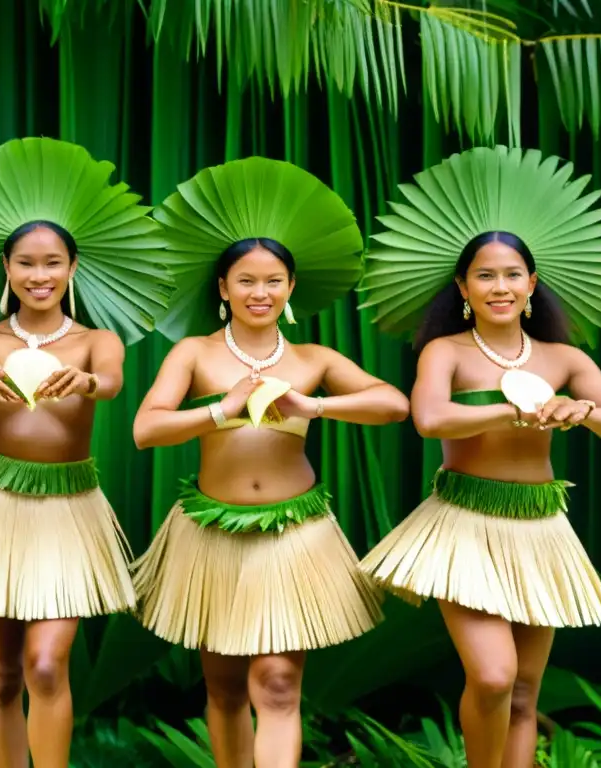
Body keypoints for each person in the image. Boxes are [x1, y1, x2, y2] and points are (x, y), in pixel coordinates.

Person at [357, 146, 601, 768]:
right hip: (464, 523)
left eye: (513, 273)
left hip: (540, 528)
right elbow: (429, 417)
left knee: (522, 690)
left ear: (532, 284)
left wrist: (585, 410)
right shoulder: (446, 352)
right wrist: (508, 411)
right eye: (485, 275)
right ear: (463, 287)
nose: (500, 286)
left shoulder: (563, 360)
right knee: (491, 676)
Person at [0, 137, 173, 768]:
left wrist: (84, 383)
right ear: (6, 267)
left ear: (73, 269)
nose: (40, 275)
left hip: (68, 504)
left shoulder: (96, 341)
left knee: (46, 664)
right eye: (26, 262)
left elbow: (109, 382)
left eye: (52, 262)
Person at [131, 157, 409, 768]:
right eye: (247, 280)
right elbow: (145, 430)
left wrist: (313, 403)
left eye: (274, 280)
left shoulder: (312, 357)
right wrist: (221, 411)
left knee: (279, 684)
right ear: (223, 287)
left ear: (290, 288)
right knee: (226, 689)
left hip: (294, 533)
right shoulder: (194, 354)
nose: (261, 292)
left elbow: (393, 404)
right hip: (213, 533)